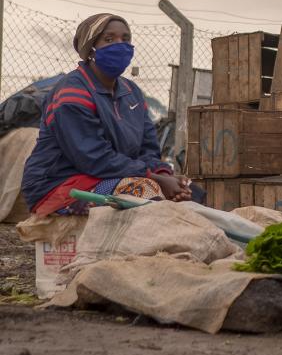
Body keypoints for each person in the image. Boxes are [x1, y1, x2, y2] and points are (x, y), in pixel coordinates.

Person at [21, 14, 195, 215]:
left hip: (114, 176)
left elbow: (148, 149)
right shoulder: (72, 93)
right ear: (91, 48)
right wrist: (155, 179)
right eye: (109, 39)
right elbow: (93, 158)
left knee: (193, 194)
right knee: (145, 192)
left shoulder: (133, 94)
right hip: (60, 185)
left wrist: (165, 174)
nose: (120, 45)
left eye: (126, 39)